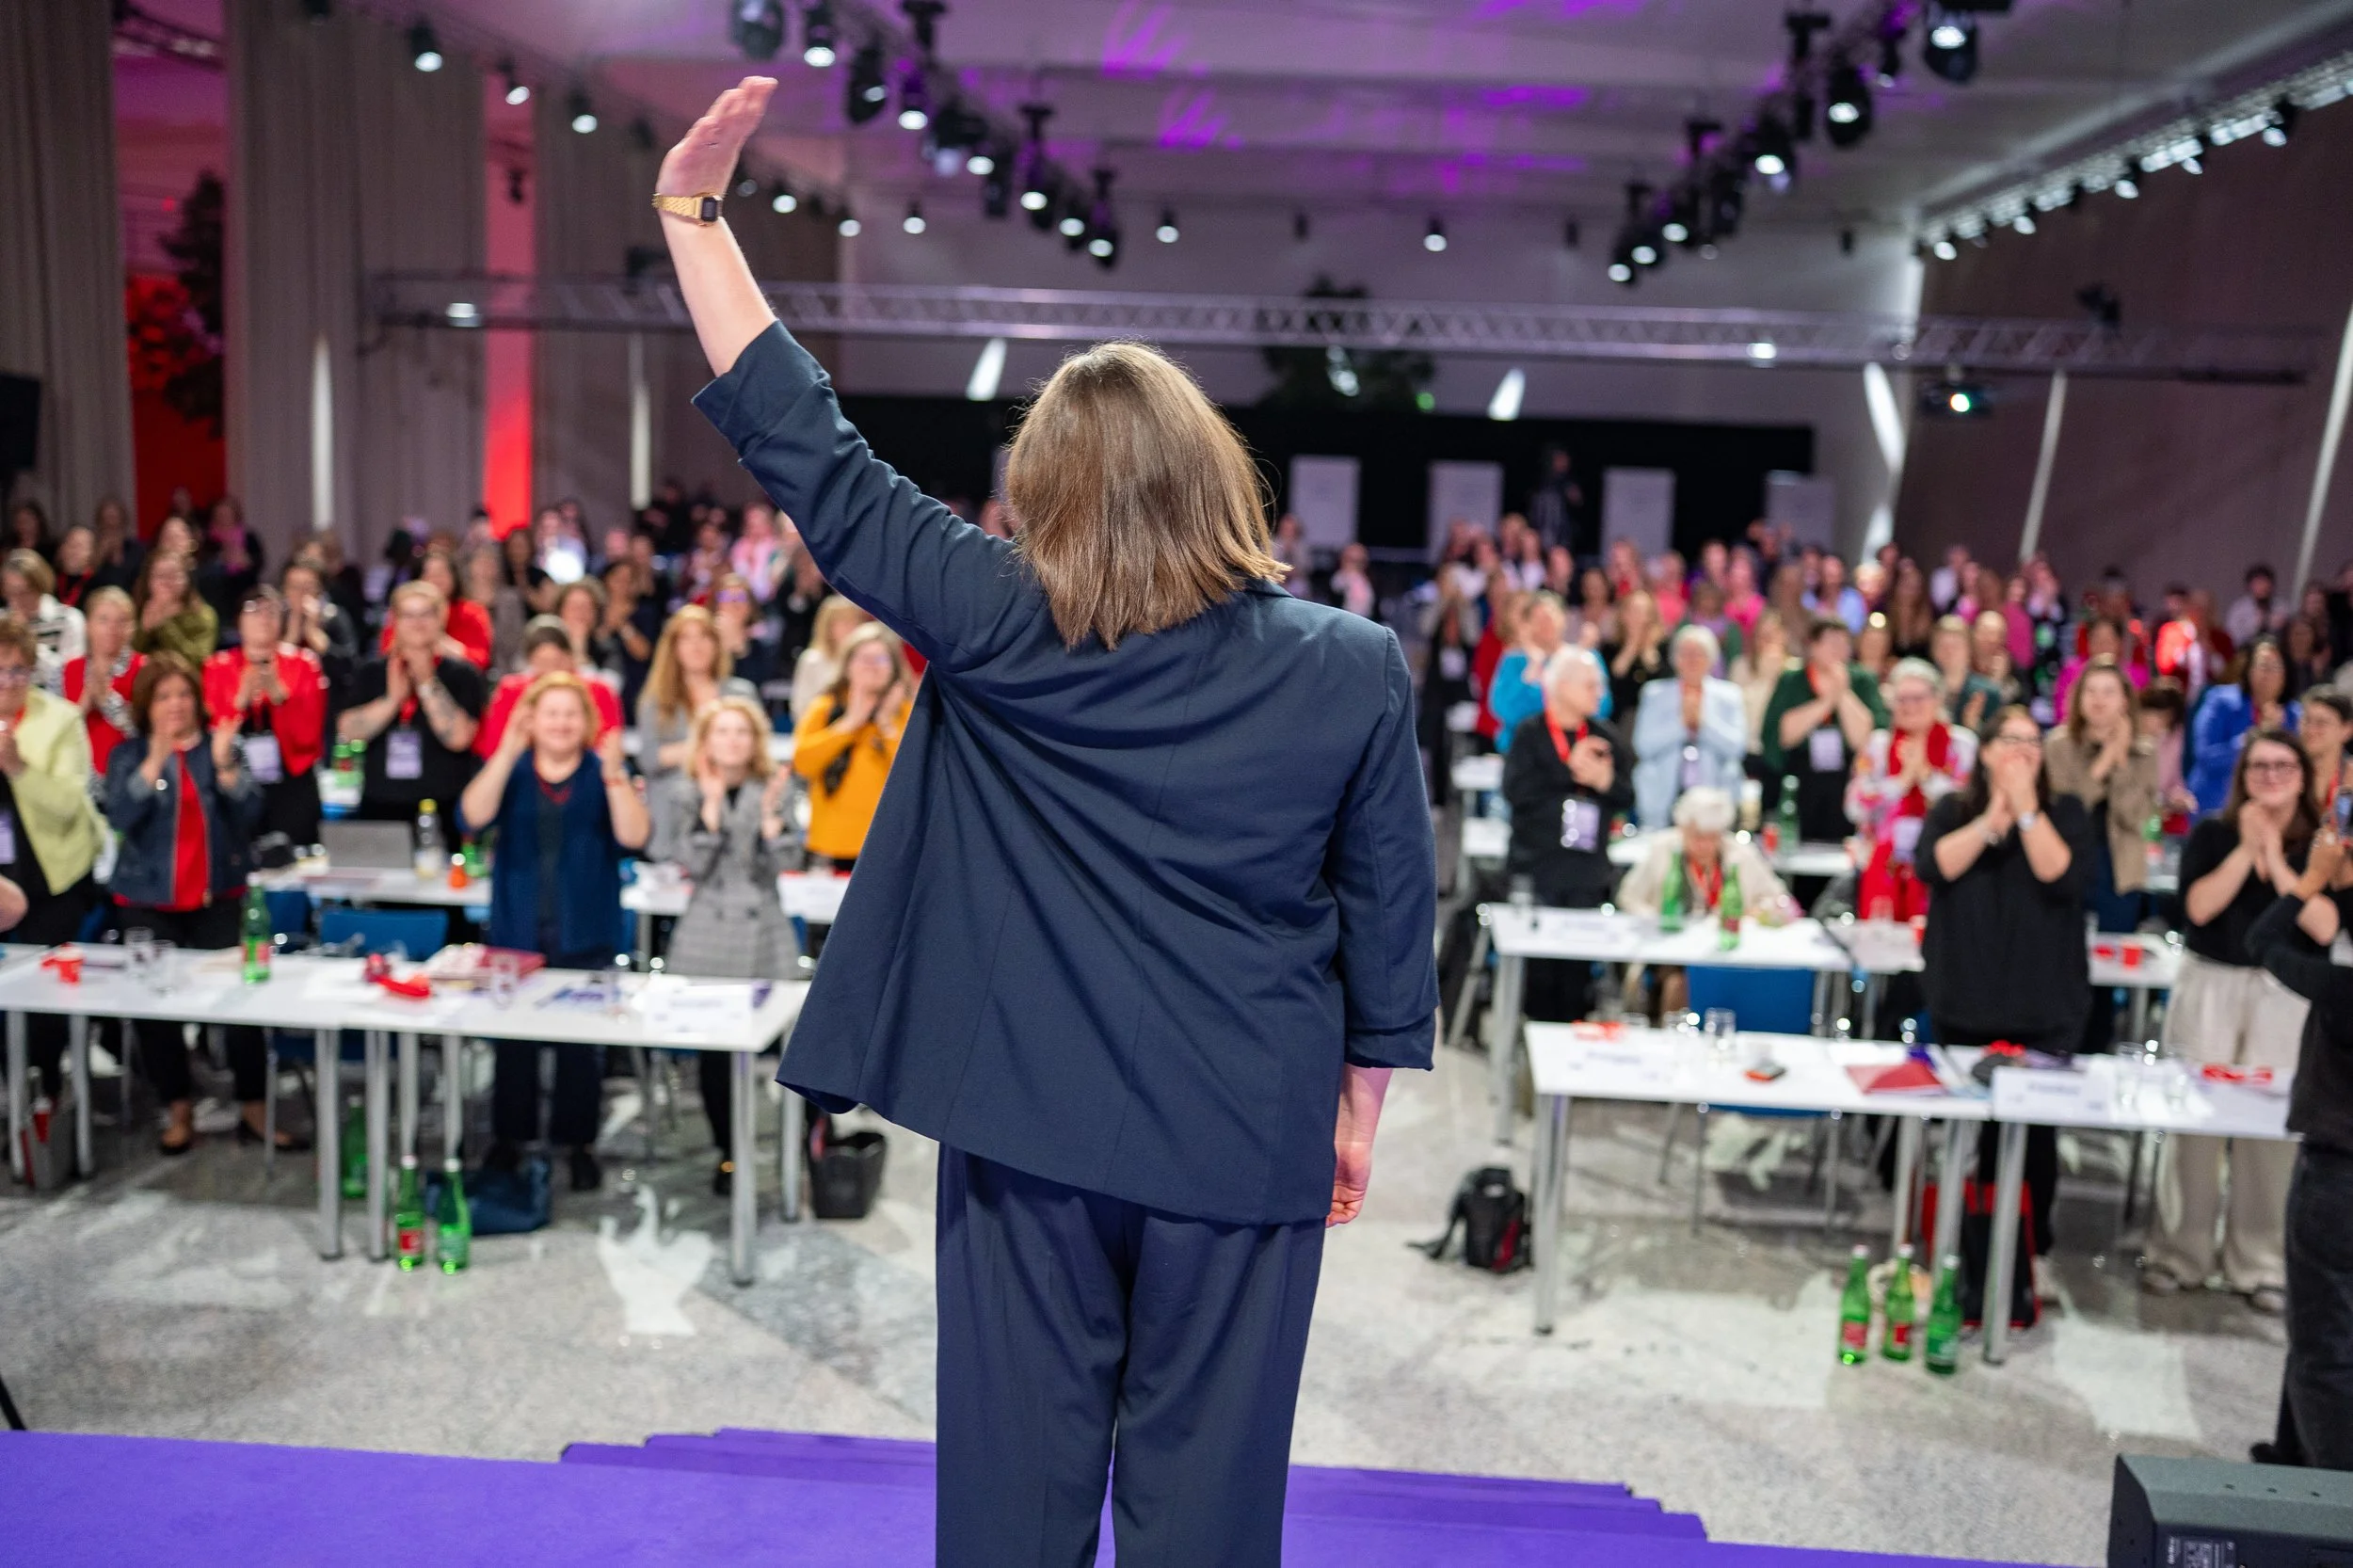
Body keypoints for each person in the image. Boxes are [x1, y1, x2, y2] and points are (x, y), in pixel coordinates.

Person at [664, 78, 1438, 1565]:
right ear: (1217, 470)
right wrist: (1360, 1103)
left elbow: (813, 455)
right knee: (1206, 1506)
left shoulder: (999, 617)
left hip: (1030, 1122)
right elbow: (1388, 903)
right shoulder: (1349, 665)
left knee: (1015, 1498)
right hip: (1246, 1124)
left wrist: (696, 219)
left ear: (1046, 490)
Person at [1917, 705, 2093, 1265]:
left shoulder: (2065, 811)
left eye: (2033, 742)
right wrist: (1992, 821)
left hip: (2041, 1003)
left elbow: (2058, 873)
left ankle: (2025, 1255)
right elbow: (1935, 866)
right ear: (1986, 751)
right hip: (1964, 995)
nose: (2023, 751)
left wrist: (2024, 812)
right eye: (2010, 740)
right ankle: (1956, 1246)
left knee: (2033, 1141)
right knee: (1964, 1134)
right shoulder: (1952, 809)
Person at [2144, 729, 2314, 1307]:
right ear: (2242, 775)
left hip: (2284, 991)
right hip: (2211, 980)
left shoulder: (2323, 842)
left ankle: (2259, 1261)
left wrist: (2274, 856)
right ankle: (2179, 1252)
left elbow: (2321, 925)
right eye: (2259, 766)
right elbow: (2197, 907)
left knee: (2271, 1129)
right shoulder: (2213, 833)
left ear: (2302, 775)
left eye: (2283, 766)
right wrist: (2246, 849)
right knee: (2194, 1122)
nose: (2270, 776)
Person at [459, 672, 648, 1194]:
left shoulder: (601, 771)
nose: (562, 723)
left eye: (571, 714)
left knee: (578, 1048)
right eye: (551, 713)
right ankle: (510, 1140)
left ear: (587, 722)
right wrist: (504, 751)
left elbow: (635, 836)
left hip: (585, 930)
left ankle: (577, 1144)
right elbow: (471, 816)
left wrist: (615, 776)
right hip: (517, 929)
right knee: (513, 1045)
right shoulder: (513, 769)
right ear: (531, 721)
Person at [103, 654, 283, 1155]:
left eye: (183, 694)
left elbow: (251, 811)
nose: (176, 705)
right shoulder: (127, 755)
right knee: (155, 1013)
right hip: (147, 901)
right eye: (163, 697)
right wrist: (154, 761)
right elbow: (120, 812)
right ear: (146, 706)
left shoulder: (222, 747)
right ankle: (177, 1107)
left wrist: (225, 764)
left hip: (218, 898)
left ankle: (253, 1107)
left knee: (243, 1005)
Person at [648, 696, 799, 1195]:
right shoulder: (685, 791)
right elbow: (690, 864)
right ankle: (728, 1154)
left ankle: (801, 1144)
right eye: (722, 731)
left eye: (741, 732)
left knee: (786, 1049)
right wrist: (712, 809)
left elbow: (784, 862)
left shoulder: (773, 788)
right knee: (713, 1056)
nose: (732, 741)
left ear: (754, 740)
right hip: (708, 932)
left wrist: (774, 823)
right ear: (706, 741)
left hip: (764, 932)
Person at [2242, 825, 2353, 1467]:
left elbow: (2263, 941)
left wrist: (2308, 878)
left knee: (2324, 1351)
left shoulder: (2343, 990)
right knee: (2321, 1328)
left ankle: (2331, 1507)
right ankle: (2288, 1460)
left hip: (2338, 1173)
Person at [0, 618, 107, 1116]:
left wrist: (18, 767)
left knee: (39, 1001)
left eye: (19, 671)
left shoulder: (60, 720)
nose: (10, 682)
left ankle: (48, 1092)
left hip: (52, 879)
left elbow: (69, 804)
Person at [1501, 647, 1632, 1021]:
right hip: (1537, 868)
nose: (1599, 692)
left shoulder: (1605, 736)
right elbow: (1516, 793)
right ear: (1560, 686)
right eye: (1590, 685)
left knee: (1576, 975)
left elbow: (1627, 795)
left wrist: (1605, 782)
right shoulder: (1530, 733)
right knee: (1540, 975)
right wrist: (1570, 772)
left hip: (1586, 873)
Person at [337, 581, 486, 824]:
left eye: (425, 614)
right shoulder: (371, 672)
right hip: (381, 804)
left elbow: (460, 738)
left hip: (443, 804)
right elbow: (348, 731)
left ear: (441, 619)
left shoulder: (462, 674)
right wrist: (392, 701)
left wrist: (427, 684)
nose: (417, 623)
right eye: (408, 615)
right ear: (394, 620)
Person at [1846, 658, 1977, 924]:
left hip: (1945, 862)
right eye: (1901, 699)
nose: (1910, 707)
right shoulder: (1878, 745)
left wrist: (1926, 776)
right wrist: (1901, 781)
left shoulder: (1961, 744)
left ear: (1938, 699)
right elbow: (1854, 806)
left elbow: (1969, 803)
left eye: (1919, 698)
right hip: (1885, 866)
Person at [2043, 659, 2163, 946]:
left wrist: (2121, 762)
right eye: (2091, 691)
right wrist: (2106, 757)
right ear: (2078, 697)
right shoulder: (2058, 745)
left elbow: (2134, 817)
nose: (2099, 700)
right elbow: (2068, 811)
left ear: (2124, 701)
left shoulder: (2144, 752)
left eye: (2109, 692)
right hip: (2067, 861)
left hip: (2120, 869)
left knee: (2115, 959)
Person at [201, 587, 328, 846]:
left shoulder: (304, 663)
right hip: (237, 781)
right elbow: (212, 733)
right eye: (253, 609)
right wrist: (240, 701)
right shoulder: (218, 666)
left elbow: (309, 736)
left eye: (271, 610)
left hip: (292, 785)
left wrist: (279, 697)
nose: (263, 618)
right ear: (238, 620)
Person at [791, 622, 911, 870]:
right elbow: (802, 764)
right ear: (847, 665)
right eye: (864, 658)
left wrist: (886, 726)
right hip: (831, 844)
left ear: (895, 668)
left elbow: (914, 776)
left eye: (880, 659)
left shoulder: (908, 713)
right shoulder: (824, 708)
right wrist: (848, 725)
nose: (872, 667)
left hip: (889, 845)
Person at [1761, 616, 1886, 843]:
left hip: (1846, 778)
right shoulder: (1792, 680)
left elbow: (1866, 739)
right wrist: (1826, 702)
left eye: (1843, 643)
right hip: (1802, 779)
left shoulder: (1862, 680)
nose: (1838, 650)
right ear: (1813, 646)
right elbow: (1783, 735)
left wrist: (1843, 692)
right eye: (1831, 642)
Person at [1631, 625, 1745, 830]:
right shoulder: (1655, 693)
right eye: (1685, 654)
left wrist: (1702, 723)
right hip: (1664, 790)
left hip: (1713, 789)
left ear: (1711, 659)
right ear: (1675, 659)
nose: (1692, 660)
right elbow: (1643, 745)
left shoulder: (1729, 695)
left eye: (1698, 654)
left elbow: (1736, 747)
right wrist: (1681, 724)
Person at [638, 605, 757, 787]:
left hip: (732, 789)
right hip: (673, 792)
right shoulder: (657, 699)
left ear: (716, 644)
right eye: (686, 638)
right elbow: (648, 758)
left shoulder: (741, 693)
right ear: (674, 648)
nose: (696, 645)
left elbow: (758, 749)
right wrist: (706, 748)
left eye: (704, 636)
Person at [475, 617, 625, 757]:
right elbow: (492, 748)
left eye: (557, 662)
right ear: (530, 661)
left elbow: (610, 747)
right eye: (543, 663)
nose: (551, 672)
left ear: (570, 657)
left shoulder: (599, 691)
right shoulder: (511, 691)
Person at [2189, 634, 2297, 814]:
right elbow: (2205, 756)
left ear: (2286, 674)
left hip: (2270, 808)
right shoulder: (2220, 701)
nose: (2267, 674)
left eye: (2275, 667)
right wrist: (2255, 735)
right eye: (2262, 665)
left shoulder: (2294, 715)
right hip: (2217, 805)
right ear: (2249, 670)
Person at [64, 586, 141, 772]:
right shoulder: (68, 669)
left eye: (121, 621)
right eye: (103, 620)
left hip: (129, 771)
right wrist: (84, 704)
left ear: (133, 628)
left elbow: (145, 731)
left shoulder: (144, 669)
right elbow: (58, 732)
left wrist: (108, 700)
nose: (112, 629)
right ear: (88, 625)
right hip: (78, 774)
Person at [1486, 590, 1565, 752]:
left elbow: (1599, 707)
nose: (1545, 625)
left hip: (1566, 750)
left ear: (1563, 618)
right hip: (1519, 751)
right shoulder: (1513, 660)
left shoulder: (1579, 659)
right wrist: (1532, 668)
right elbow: (1503, 708)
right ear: (1527, 625)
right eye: (1538, 619)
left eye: (1549, 617)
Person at [281, 554, 359, 708]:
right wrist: (291, 636)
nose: (301, 594)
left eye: (308, 587)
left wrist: (313, 632)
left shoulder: (334, 617)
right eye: (294, 587)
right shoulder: (276, 620)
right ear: (284, 590)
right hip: (287, 702)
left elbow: (349, 667)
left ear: (321, 590)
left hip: (330, 701)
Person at [2, 550, 84, 688]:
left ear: (39, 586)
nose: (16, 600)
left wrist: (26, 640)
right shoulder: (2, 621)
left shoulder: (69, 620)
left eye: (23, 592)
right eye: (10, 592)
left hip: (52, 702)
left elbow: (69, 677)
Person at [789, 594, 870, 723]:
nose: (850, 627)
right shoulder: (812, 660)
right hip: (820, 729)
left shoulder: (866, 660)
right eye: (843, 621)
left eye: (854, 621)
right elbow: (800, 707)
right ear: (828, 626)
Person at [130, 547, 216, 666]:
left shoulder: (203, 614)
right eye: (161, 575)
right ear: (149, 581)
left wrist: (164, 624)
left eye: (174, 575)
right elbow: (123, 661)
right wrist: (143, 631)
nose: (167, 582)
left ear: (187, 579)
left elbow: (198, 660)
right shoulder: (134, 611)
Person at [1730, 608, 1790, 762]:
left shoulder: (1796, 669)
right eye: (1761, 636)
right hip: (1749, 748)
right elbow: (1738, 709)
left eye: (1771, 636)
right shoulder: (1740, 667)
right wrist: (1764, 677)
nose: (1766, 641)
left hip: (1786, 749)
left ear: (1784, 636)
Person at [1602, 587, 1667, 726]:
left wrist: (1647, 649)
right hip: (1621, 718)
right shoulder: (1609, 648)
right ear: (1622, 615)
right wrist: (1631, 645)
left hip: (1654, 717)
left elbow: (1663, 681)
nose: (1637, 617)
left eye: (1643, 612)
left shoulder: (1663, 647)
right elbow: (1613, 679)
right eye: (1632, 611)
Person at [1929, 613, 2000, 735]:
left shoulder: (1987, 692)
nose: (1949, 652)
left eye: (1955, 646)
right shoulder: (1925, 689)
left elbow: (1994, 740)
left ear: (1969, 649)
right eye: (1943, 645)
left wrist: (1974, 725)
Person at [463, 545, 528, 676]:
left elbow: (518, 638)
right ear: (470, 567)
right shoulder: (462, 600)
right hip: (469, 667)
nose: (485, 568)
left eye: (490, 563)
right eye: (481, 563)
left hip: (506, 665)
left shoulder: (511, 599)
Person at [2305, 690, 2352, 807]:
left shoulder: (2351, 775)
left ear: (2346, 730)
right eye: (2307, 721)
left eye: (2321, 723)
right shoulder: (2291, 774)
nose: (2311, 730)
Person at [2227, 564, 2288, 648]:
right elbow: (2232, 638)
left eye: (2265, 582)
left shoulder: (2281, 607)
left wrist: (2281, 627)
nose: (2262, 587)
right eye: (2258, 583)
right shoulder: (2239, 609)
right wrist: (2254, 626)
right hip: (2245, 652)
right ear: (2249, 586)